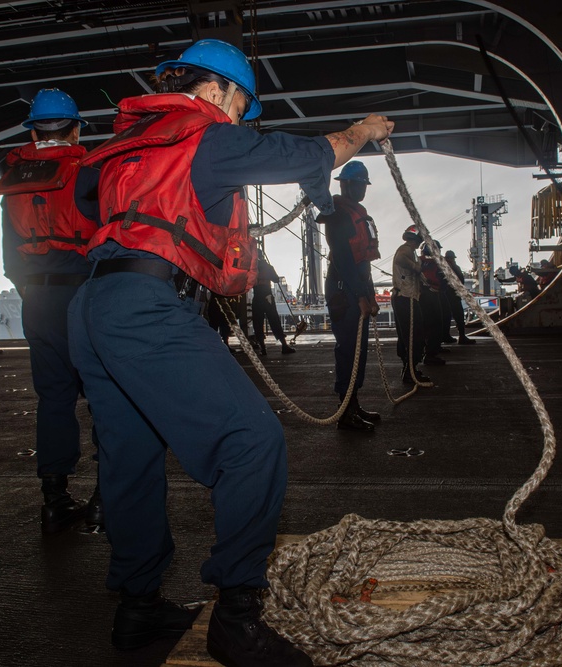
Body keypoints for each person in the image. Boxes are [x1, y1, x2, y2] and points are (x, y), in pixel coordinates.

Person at [67, 39, 393, 664]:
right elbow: (303, 153)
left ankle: (138, 612)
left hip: (93, 307)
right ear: (216, 90)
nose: (242, 115)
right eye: (241, 102)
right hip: (145, 306)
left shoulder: (124, 146)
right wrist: (361, 130)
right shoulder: (205, 135)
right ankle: (237, 614)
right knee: (251, 442)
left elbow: (92, 205)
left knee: (130, 464)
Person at [0, 88, 102, 535]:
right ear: (75, 127)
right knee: (104, 396)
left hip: (37, 300)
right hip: (85, 296)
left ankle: (55, 501)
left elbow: (9, 259)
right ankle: (106, 498)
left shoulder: (13, 178)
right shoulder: (89, 171)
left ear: (34, 129)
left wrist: (36, 286)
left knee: (54, 399)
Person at [321, 160, 380, 431]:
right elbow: (344, 260)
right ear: (344, 184)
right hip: (344, 292)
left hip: (356, 287)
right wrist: (359, 295)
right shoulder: (338, 215)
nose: (360, 190)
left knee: (359, 351)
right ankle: (345, 412)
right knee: (348, 351)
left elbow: (362, 264)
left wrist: (370, 295)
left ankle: (353, 405)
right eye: (356, 184)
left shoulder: (356, 214)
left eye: (363, 185)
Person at [391, 225, 430, 384]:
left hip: (404, 297)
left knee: (406, 335)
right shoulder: (406, 250)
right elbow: (401, 259)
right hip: (406, 298)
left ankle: (409, 369)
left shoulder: (409, 250)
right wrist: (417, 267)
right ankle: (410, 371)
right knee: (415, 335)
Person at [251, 257, 295, 355]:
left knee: (258, 322)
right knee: (274, 320)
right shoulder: (268, 267)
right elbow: (275, 279)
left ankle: (263, 348)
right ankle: (284, 345)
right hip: (268, 297)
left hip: (257, 297)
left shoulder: (252, 268)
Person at [419, 243, 446, 366]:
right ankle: (431, 353)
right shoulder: (436, 263)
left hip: (423, 296)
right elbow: (443, 279)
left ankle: (431, 349)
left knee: (427, 325)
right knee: (435, 324)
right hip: (432, 294)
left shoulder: (419, 262)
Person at [443, 250, 475, 345]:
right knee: (457, 316)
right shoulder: (451, 267)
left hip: (449, 295)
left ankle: (447, 336)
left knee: (448, 317)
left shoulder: (444, 266)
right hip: (452, 295)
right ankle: (459, 336)